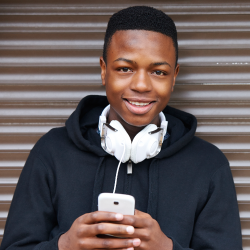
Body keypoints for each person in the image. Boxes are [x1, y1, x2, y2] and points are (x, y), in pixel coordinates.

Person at [0, 6, 242, 250]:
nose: (141, 85)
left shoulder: (209, 165)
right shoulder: (51, 152)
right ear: (104, 70)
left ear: (174, 77)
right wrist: (64, 245)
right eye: (125, 68)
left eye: (158, 72)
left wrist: (168, 248)